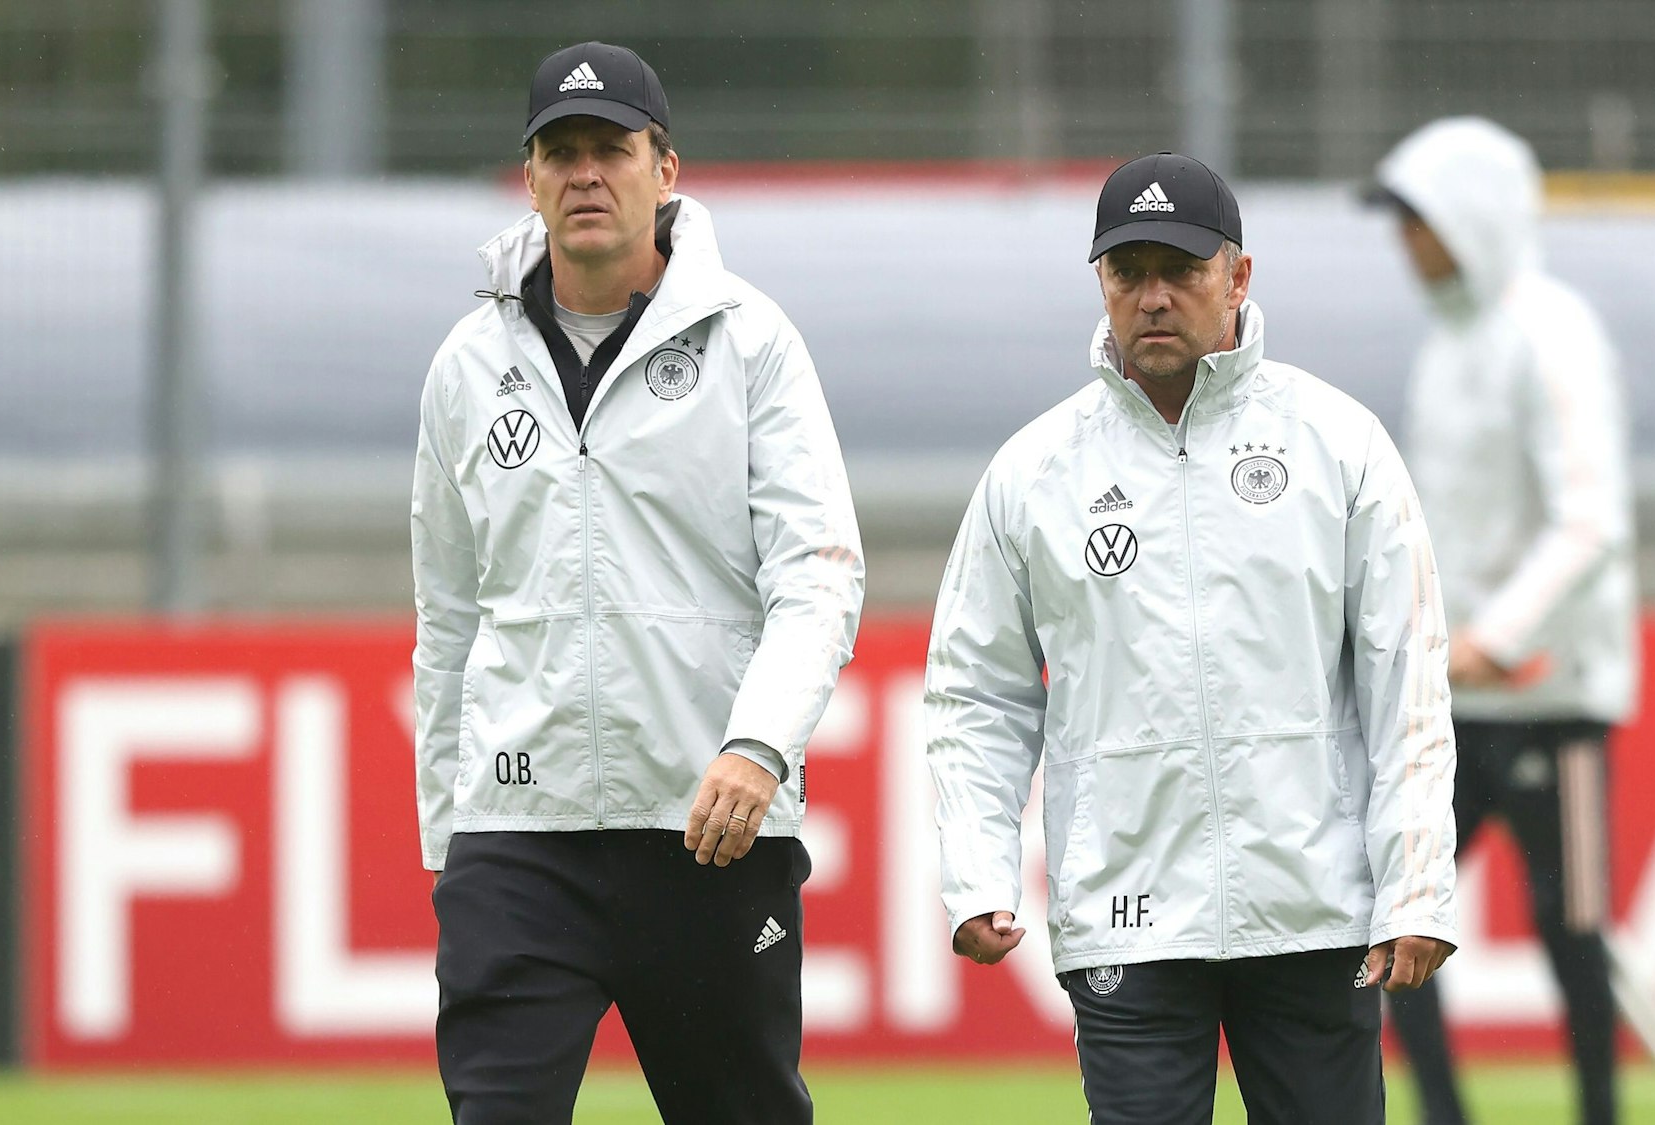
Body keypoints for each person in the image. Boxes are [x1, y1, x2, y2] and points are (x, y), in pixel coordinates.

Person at [925, 151, 1459, 1125]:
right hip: (1124, 912)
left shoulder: (1337, 444)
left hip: (1310, 910)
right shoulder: (1033, 470)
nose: (1155, 296)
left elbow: (1404, 684)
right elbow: (975, 692)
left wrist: (1414, 884)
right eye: (1129, 273)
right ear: (1101, 284)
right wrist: (974, 870)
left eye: (1181, 268)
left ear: (1237, 276)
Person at [408, 41, 863, 1125]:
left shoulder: (751, 342)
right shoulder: (467, 365)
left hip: (707, 829)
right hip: (518, 837)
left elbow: (819, 575)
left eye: (609, 150)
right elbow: (449, 619)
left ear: (666, 171)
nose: (583, 174)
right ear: (528, 178)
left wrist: (758, 746)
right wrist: (447, 840)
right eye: (557, 152)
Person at [1367, 117, 1638, 1125]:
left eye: (1415, 220)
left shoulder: (1551, 330)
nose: (1404, 243)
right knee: (1391, 910)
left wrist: (1502, 636)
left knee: (1570, 933)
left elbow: (1589, 518)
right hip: (1450, 699)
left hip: (1553, 695)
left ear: (1464, 217)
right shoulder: (1443, 344)